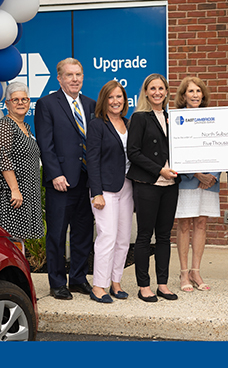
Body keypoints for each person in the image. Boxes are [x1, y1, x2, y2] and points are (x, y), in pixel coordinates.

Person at [34, 58, 96, 300]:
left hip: (86, 181)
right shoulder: (47, 104)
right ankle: (57, 282)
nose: (75, 79)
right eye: (69, 75)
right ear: (59, 78)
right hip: (60, 182)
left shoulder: (91, 105)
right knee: (57, 235)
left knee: (83, 234)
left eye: (78, 74)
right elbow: (45, 144)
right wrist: (55, 173)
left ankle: (79, 279)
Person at [127, 73, 179, 302]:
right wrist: (159, 170)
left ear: (167, 92)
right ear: (146, 92)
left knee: (165, 237)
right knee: (144, 237)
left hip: (171, 184)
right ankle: (143, 286)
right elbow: (133, 152)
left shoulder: (173, 118)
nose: (157, 92)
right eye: (153, 88)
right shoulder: (139, 117)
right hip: (149, 183)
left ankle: (163, 284)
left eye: (161, 88)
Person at [86, 81, 134, 304]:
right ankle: (98, 286)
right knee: (107, 237)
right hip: (105, 189)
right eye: (111, 97)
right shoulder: (97, 125)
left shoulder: (128, 123)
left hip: (127, 186)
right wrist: (96, 192)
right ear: (104, 101)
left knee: (124, 238)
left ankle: (116, 282)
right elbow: (92, 160)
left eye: (119, 97)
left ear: (125, 100)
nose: (116, 101)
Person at [174, 77, 220, 292]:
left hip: (209, 182)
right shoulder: (175, 119)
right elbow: (174, 152)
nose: (194, 95)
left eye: (198, 91)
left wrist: (212, 175)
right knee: (184, 225)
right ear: (183, 96)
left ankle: (196, 271)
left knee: (201, 223)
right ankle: (184, 273)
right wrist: (196, 174)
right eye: (190, 91)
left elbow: (221, 146)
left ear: (203, 95)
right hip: (187, 181)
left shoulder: (212, 118)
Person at [0, 82, 44, 246]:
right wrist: (15, 190)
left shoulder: (25, 126)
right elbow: (3, 157)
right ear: (7, 103)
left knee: (20, 240)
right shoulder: (5, 125)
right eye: (15, 99)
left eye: (24, 99)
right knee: (11, 241)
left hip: (26, 192)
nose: (20, 103)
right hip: (12, 196)